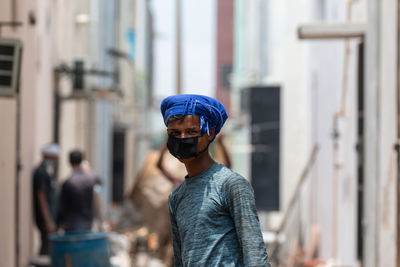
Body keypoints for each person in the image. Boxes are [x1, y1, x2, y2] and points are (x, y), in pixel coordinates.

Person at [160, 94, 271, 266]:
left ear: (209, 132)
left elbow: (254, 253)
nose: (182, 139)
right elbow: (180, 260)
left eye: (191, 131)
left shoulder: (231, 184)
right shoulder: (176, 197)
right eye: (175, 133)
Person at [57, 149, 101, 231]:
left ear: (69, 162)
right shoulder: (91, 179)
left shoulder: (68, 182)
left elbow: (61, 206)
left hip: (71, 224)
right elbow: (100, 187)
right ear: (82, 161)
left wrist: (58, 224)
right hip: (88, 222)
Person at [32, 143, 60, 255]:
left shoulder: (48, 172)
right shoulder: (41, 173)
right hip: (44, 219)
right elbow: (41, 196)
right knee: (46, 247)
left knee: (48, 246)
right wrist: (48, 221)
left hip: (50, 217)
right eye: (54, 158)